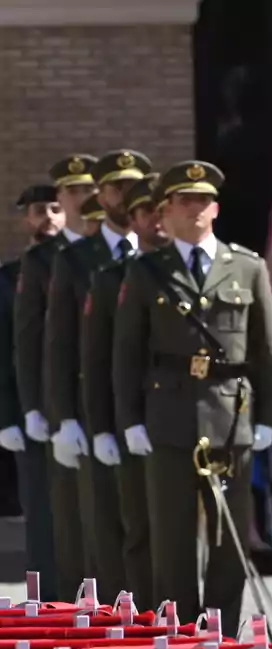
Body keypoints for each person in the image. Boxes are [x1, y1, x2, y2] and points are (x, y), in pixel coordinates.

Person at [113, 160, 272, 634]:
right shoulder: (147, 271)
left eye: (203, 202)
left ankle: (222, 631)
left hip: (230, 415)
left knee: (229, 538)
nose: (195, 211)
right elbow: (127, 352)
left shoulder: (247, 267)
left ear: (217, 208)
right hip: (168, 417)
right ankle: (180, 631)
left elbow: (268, 350)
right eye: (185, 203)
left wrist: (269, 417)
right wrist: (130, 420)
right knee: (172, 536)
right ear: (165, 212)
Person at [47, 149, 151, 599]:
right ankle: (112, 613)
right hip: (96, 405)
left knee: (156, 521)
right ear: (101, 194)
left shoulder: (159, 252)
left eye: (133, 186)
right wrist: (62, 416)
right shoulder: (74, 259)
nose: (124, 196)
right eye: (115, 187)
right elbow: (59, 343)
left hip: (153, 402)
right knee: (106, 522)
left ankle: (159, 613)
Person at [15, 155, 96, 602]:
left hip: (108, 401)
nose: (80, 200)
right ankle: (57, 603)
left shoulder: (114, 250)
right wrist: (25, 408)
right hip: (56, 402)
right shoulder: (41, 261)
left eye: (87, 191)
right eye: (72, 192)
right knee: (55, 514)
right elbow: (26, 344)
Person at [80, 174, 164, 607]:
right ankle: (142, 615)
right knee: (137, 528)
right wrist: (101, 427)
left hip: (179, 414)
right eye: (146, 211)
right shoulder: (113, 279)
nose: (157, 220)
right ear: (132, 218)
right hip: (129, 415)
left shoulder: (186, 272)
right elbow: (96, 361)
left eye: (160, 209)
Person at [0, 185, 63, 593]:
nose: (49, 219)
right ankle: (46, 604)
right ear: (27, 218)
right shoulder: (8, 279)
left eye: (57, 209)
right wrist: (7, 417)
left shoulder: (90, 271)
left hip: (81, 410)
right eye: (40, 210)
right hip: (30, 411)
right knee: (41, 515)